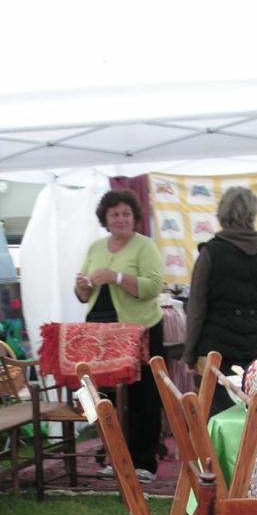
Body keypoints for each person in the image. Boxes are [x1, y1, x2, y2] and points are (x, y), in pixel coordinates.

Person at [74, 189, 166, 483]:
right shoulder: (96, 248)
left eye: (126, 213)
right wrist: (83, 286)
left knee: (143, 397)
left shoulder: (145, 246)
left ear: (135, 217)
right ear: (105, 218)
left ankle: (143, 462)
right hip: (102, 334)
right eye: (114, 214)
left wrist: (116, 277)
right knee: (106, 398)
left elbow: (153, 287)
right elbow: (82, 293)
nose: (121, 219)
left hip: (140, 331)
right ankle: (113, 457)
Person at [182, 186, 257, 414]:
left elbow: (197, 308)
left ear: (222, 214)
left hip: (219, 350)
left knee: (220, 414)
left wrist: (190, 354)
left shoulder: (210, 252)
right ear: (252, 213)